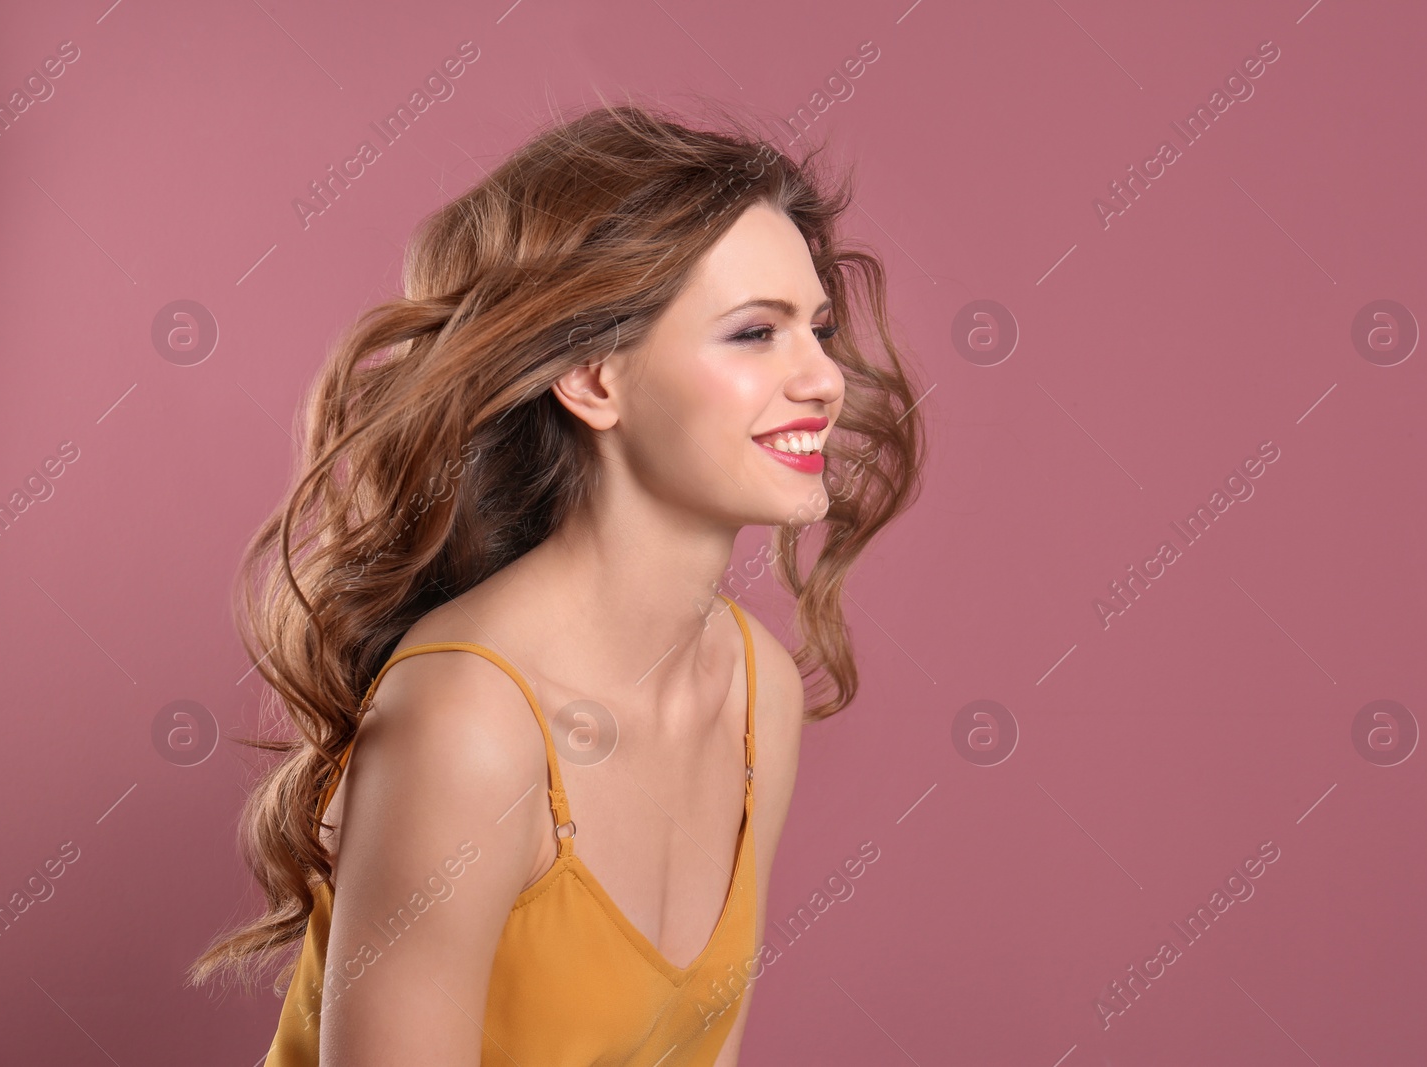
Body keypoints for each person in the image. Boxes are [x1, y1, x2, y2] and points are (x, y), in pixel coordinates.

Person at [189, 100, 925, 1066]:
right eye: (756, 333)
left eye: (818, 330)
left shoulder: (756, 690)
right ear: (592, 379)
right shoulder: (469, 719)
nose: (824, 378)